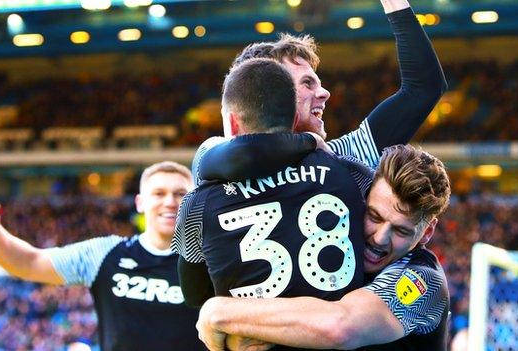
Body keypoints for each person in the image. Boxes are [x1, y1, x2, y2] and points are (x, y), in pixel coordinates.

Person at [173, 57, 374, 351]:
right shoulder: (351, 173)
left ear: (231, 123)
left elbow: (193, 295)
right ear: (295, 119)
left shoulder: (196, 204)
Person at [194, 144, 452, 351]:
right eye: (374, 216)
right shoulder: (332, 248)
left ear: (427, 232)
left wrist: (220, 312)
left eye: (401, 230)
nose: (380, 238)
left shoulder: (423, 281)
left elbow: (341, 327)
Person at [192, 0, 447, 184]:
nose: (325, 93)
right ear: (270, 93)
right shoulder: (216, 157)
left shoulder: (345, 155)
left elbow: (423, 87)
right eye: (307, 83)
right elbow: (232, 155)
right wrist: (311, 143)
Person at [0, 161, 204, 351]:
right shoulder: (106, 254)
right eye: (159, 194)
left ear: (193, 201)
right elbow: (29, 263)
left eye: (181, 194)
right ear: (139, 202)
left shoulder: (211, 260)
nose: (170, 202)